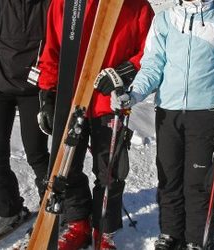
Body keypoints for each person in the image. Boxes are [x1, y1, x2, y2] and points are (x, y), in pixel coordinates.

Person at [108, 0, 214, 249]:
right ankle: (170, 232)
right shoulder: (165, 20)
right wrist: (133, 94)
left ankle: (196, 238)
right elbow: (152, 66)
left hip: (205, 112)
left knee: (198, 181)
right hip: (168, 112)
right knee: (168, 177)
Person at [37, 0, 154, 249]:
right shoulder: (65, 4)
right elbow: (52, 48)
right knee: (67, 166)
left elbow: (151, 49)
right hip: (71, 99)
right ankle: (78, 222)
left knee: (110, 170)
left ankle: (104, 230)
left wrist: (125, 71)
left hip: (109, 101)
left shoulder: (135, 5)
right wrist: (47, 95)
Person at [0, 0, 51, 236]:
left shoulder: (49, 3)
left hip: (34, 89)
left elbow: (57, 43)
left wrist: (52, 90)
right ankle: (7, 210)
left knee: (36, 151)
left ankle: (54, 207)